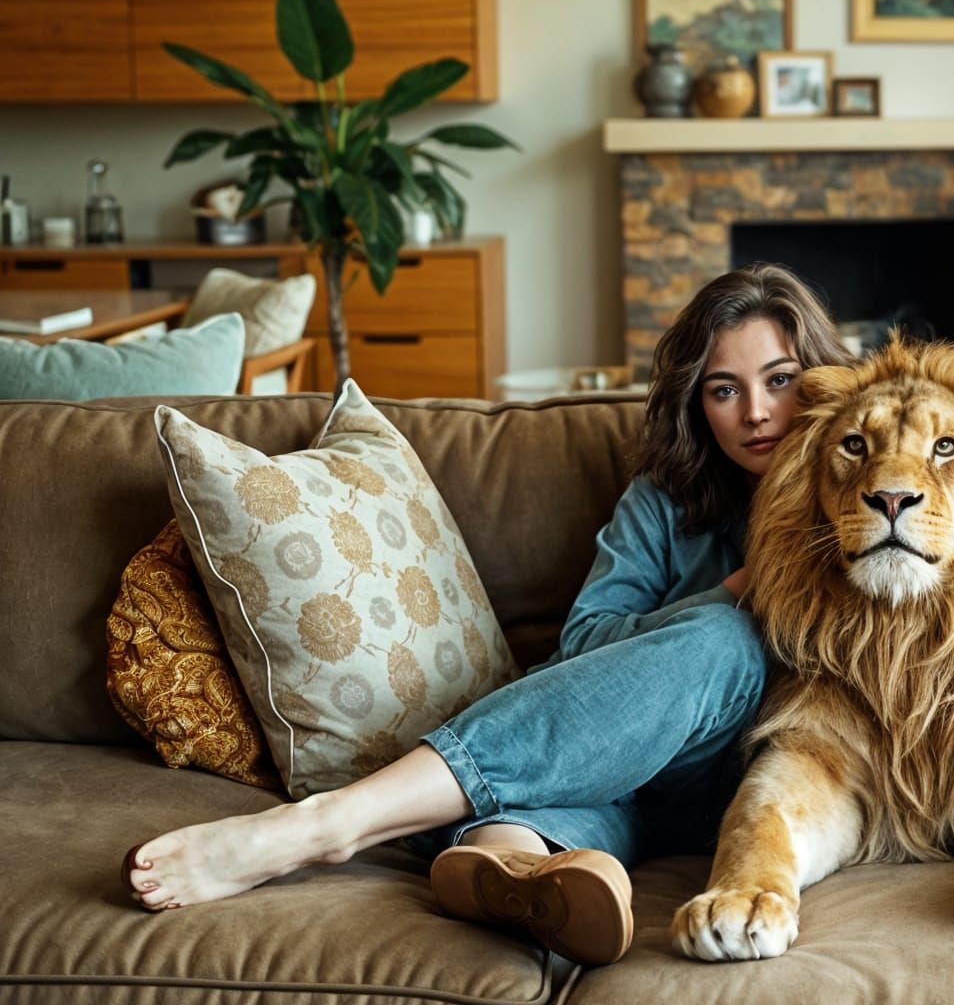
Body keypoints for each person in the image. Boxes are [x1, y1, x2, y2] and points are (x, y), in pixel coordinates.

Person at [122, 265, 852, 966]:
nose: (756, 411)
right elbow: (586, 644)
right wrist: (733, 588)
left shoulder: (865, 500)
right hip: (609, 772)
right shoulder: (665, 500)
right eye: (724, 390)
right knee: (550, 816)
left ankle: (333, 823)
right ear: (698, 403)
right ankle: (515, 879)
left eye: (780, 381)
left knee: (731, 642)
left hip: (758, 787)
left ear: (821, 382)